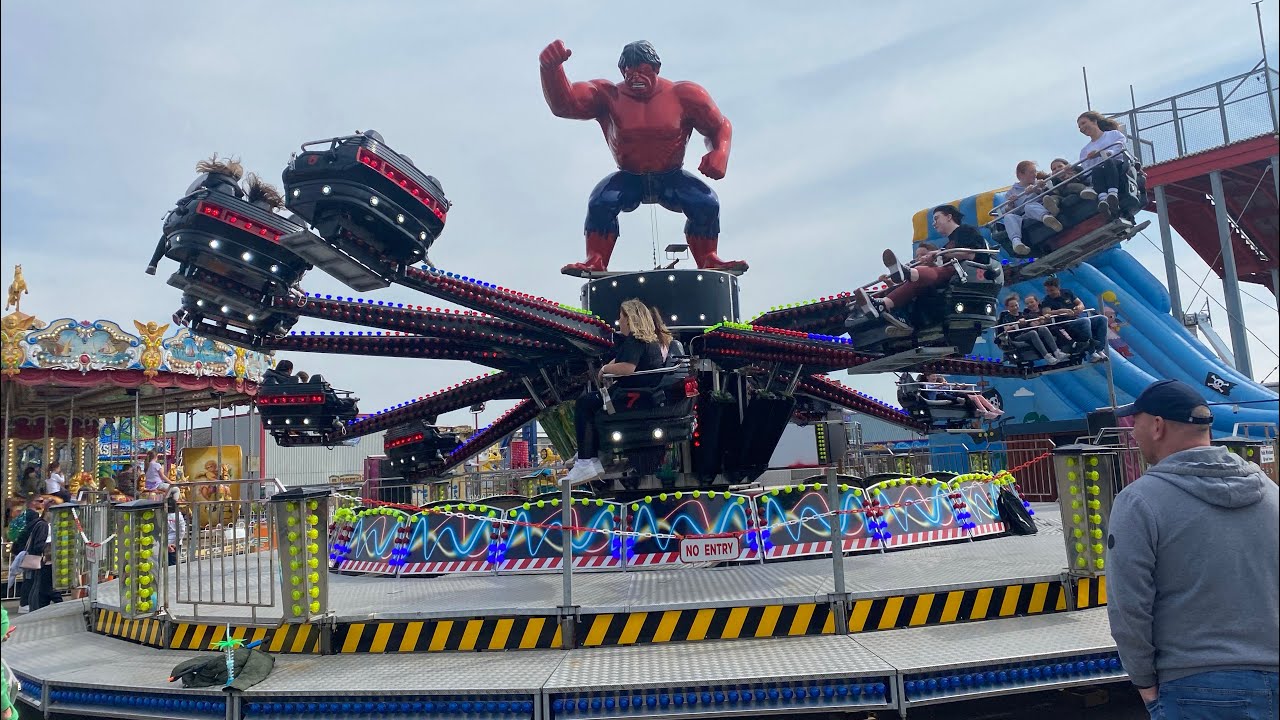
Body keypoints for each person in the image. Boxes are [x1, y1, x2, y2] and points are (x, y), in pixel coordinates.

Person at [1107, 379, 1279, 717]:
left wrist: (1144, 683)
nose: (1132, 432)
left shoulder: (1139, 502)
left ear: (1157, 426)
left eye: (1135, 422)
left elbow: (1129, 607)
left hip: (1195, 687)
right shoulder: (1270, 494)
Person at [540, 39, 747, 273]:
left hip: (671, 177)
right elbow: (565, 105)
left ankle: (708, 256)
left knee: (706, 203)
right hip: (630, 177)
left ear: (656, 69)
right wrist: (551, 70)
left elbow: (719, 126)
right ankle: (595, 259)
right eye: (629, 72)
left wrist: (719, 152)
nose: (635, 77)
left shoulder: (685, 95)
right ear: (622, 71)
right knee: (601, 202)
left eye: (643, 71)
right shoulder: (608, 96)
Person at [562, 299, 665, 486]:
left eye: (621, 316)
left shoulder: (635, 340)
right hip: (642, 395)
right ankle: (590, 452)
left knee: (585, 403)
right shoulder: (648, 341)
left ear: (630, 318)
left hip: (630, 397)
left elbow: (627, 367)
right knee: (594, 404)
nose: (619, 321)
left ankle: (586, 461)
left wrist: (604, 370)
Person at [850, 205, 990, 333]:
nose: (934, 223)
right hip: (951, 275)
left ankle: (906, 273)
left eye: (936, 218)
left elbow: (970, 254)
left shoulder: (966, 230)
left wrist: (938, 254)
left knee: (934, 272)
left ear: (949, 217)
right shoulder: (948, 244)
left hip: (969, 273)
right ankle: (883, 305)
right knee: (916, 283)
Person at [1000, 160, 1064, 256]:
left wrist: (1038, 189)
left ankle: (1047, 218)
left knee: (1028, 206)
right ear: (1021, 175)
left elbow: (1053, 194)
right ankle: (1017, 243)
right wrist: (1010, 204)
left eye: (1035, 171)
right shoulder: (1011, 192)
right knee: (1008, 217)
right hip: (1024, 217)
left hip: (1039, 209)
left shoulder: (1040, 182)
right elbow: (1006, 211)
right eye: (1031, 172)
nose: (1035, 174)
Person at [1040, 277, 1108, 362]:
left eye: (1052, 290)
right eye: (1048, 291)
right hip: (1065, 324)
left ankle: (1100, 349)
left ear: (1058, 287)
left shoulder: (1067, 292)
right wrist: (1060, 311)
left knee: (1102, 319)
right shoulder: (1047, 300)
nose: (1050, 293)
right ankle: (1092, 351)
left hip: (1076, 318)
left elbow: (1080, 303)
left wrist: (1079, 308)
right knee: (1085, 321)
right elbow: (1046, 312)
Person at [1077, 110, 1129, 216]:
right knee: (1097, 168)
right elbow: (1086, 167)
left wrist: (1102, 153)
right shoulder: (1085, 150)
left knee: (1108, 162)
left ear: (1094, 121)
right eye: (1079, 127)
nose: (1081, 128)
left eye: (1083, 123)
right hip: (1098, 173)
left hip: (1116, 166)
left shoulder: (1113, 134)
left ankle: (1112, 193)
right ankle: (1103, 198)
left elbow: (1119, 147)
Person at [996, 295, 1069, 364]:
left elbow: (1033, 324)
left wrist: (1042, 320)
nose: (1015, 308)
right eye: (1012, 306)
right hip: (1016, 337)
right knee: (1033, 333)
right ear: (1007, 307)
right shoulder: (1006, 317)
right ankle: (1047, 356)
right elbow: (1006, 329)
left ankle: (1057, 352)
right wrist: (1017, 324)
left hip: (1026, 333)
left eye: (1016, 305)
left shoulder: (1023, 315)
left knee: (1043, 329)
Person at [921, 373, 1003, 421]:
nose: (934, 377)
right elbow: (930, 389)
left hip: (947, 394)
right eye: (932, 376)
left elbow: (950, 388)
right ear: (927, 377)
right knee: (971, 397)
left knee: (977, 396)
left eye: (935, 376)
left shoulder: (940, 385)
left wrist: (961, 386)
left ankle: (992, 409)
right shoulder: (926, 384)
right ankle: (984, 412)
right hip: (937, 397)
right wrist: (939, 386)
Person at [165, 487, 187, 567]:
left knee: (166, 563)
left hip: (166, 542)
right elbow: (182, 530)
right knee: (174, 563)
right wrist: (175, 542)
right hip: (176, 542)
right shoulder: (179, 516)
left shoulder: (163, 517)